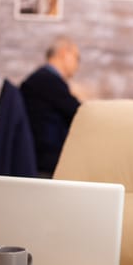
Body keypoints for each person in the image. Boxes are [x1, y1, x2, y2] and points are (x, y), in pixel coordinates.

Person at [20, 36, 81, 177]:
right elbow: (78, 112)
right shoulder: (47, 80)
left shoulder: (42, 78)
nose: (77, 65)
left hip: (41, 157)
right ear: (64, 53)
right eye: (77, 58)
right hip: (47, 161)